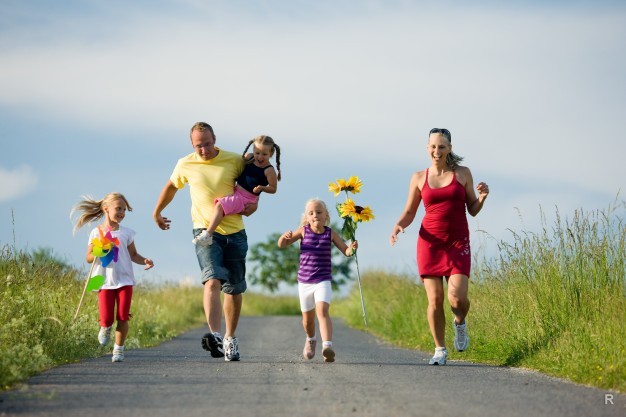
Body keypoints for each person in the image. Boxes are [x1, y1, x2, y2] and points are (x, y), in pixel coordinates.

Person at [153, 122, 256, 362]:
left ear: (215, 139)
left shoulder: (235, 160)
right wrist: (157, 212)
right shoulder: (185, 163)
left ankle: (230, 338)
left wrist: (255, 203)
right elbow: (171, 186)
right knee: (211, 281)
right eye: (199, 146)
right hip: (204, 231)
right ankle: (216, 336)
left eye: (208, 144)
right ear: (192, 144)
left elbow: (254, 183)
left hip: (235, 232)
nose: (204, 150)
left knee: (234, 288)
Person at [389, 128, 489, 366]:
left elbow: (472, 209)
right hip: (430, 243)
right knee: (435, 300)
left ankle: (460, 322)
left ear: (449, 149)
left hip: (457, 242)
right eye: (433, 146)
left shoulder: (463, 174)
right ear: (427, 148)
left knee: (457, 298)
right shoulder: (418, 177)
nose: (437, 151)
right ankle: (440, 349)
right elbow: (410, 211)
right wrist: (398, 226)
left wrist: (482, 198)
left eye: (442, 147)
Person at [71, 192, 154, 363]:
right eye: (118, 208)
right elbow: (88, 258)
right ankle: (105, 327)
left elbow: (134, 255)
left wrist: (145, 260)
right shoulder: (96, 232)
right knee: (107, 318)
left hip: (125, 279)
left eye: (124, 210)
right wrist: (98, 251)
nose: (122, 213)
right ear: (106, 209)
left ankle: (119, 349)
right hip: (103, 280)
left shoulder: (127, 233)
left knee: (123, 315)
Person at [278, 198, 358, 363]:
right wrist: (283, 238)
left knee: (322, 311)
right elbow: (282, 245)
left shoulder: (330, 233)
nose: (315, 216)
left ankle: (327, 346)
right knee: (307, 320)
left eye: (319, 212)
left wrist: (352, 248)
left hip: (323, 280)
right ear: (306, 217)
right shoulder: (303, 231)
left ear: (326, 215)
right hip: (305, 282)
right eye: (311, 213)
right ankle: (311, 339)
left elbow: (346, 251)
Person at [193, 135, 281, 246]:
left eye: (264, 154)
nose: (260, 157)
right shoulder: (250, 158)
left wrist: (262, 188)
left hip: (246, 198)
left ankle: (208, 235)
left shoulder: (269, 170)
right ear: (253, 150)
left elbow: (273, 189)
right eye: (257, 152)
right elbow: (237, 161)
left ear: (271, 154)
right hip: (237, 192)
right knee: (220, 205)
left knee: (220, 205)